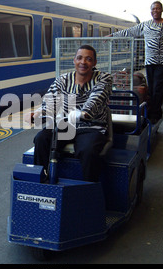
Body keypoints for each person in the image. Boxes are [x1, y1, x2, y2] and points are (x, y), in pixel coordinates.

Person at [24, 45, 112, 182]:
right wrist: (38, 112)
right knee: (41, 139)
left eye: (88, 59)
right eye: (79, 58)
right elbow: (51, 99)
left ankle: (89, 186)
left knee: (88, 150)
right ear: (74, 61)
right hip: (65, 124)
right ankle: (41, 180)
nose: (83, 62)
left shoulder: (104, 78)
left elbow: (96, 99)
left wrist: (82, 114)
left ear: (94, 63)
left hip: (91, 127)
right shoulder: (63, 79)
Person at [108, 1, 163, 123]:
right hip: (150, 61)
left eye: (157, 8)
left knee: (158, 88)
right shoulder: (146, 25)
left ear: (162, 10)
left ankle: (155, 114)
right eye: (153, 9)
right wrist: (113, 35)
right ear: (150, 11)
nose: (155, 10)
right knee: (151, 88)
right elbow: (130, 32)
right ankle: (151, 111)